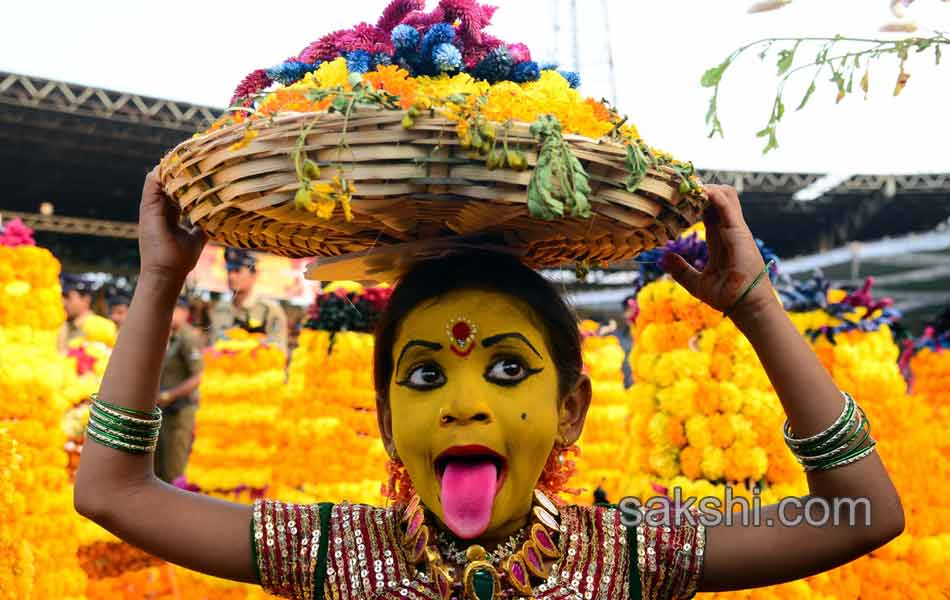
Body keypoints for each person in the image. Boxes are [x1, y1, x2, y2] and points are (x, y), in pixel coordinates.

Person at [75, 171, 904, 600]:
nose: (465, 401)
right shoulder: (332, 550)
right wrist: (158, 282)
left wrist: (756, 306)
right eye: (426, 374)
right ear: (388, 421)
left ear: (570, 409)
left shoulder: (630, 552)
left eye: (508, 369)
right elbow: (111, 492)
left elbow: (860, 515)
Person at [153, 295, 204, 484]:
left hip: (180, 410)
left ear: (184, 312)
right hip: (163, 409)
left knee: (174, 466)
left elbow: (199, 375)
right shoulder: (166, 333)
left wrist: (171, 395)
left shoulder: (188, 337)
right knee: (158, 465)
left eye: (174, 309)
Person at [209, 248, 288, 353]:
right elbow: (213, 347)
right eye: (229, 270)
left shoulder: (270, 311)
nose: (231, 276)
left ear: (254, 275)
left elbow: (279, 351)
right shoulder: (220, 309)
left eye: (237, 271)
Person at [59, 273, 95, 353]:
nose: (63, 302)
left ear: (86, 300)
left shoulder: (100, 328)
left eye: (67, 297)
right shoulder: (65, 325)